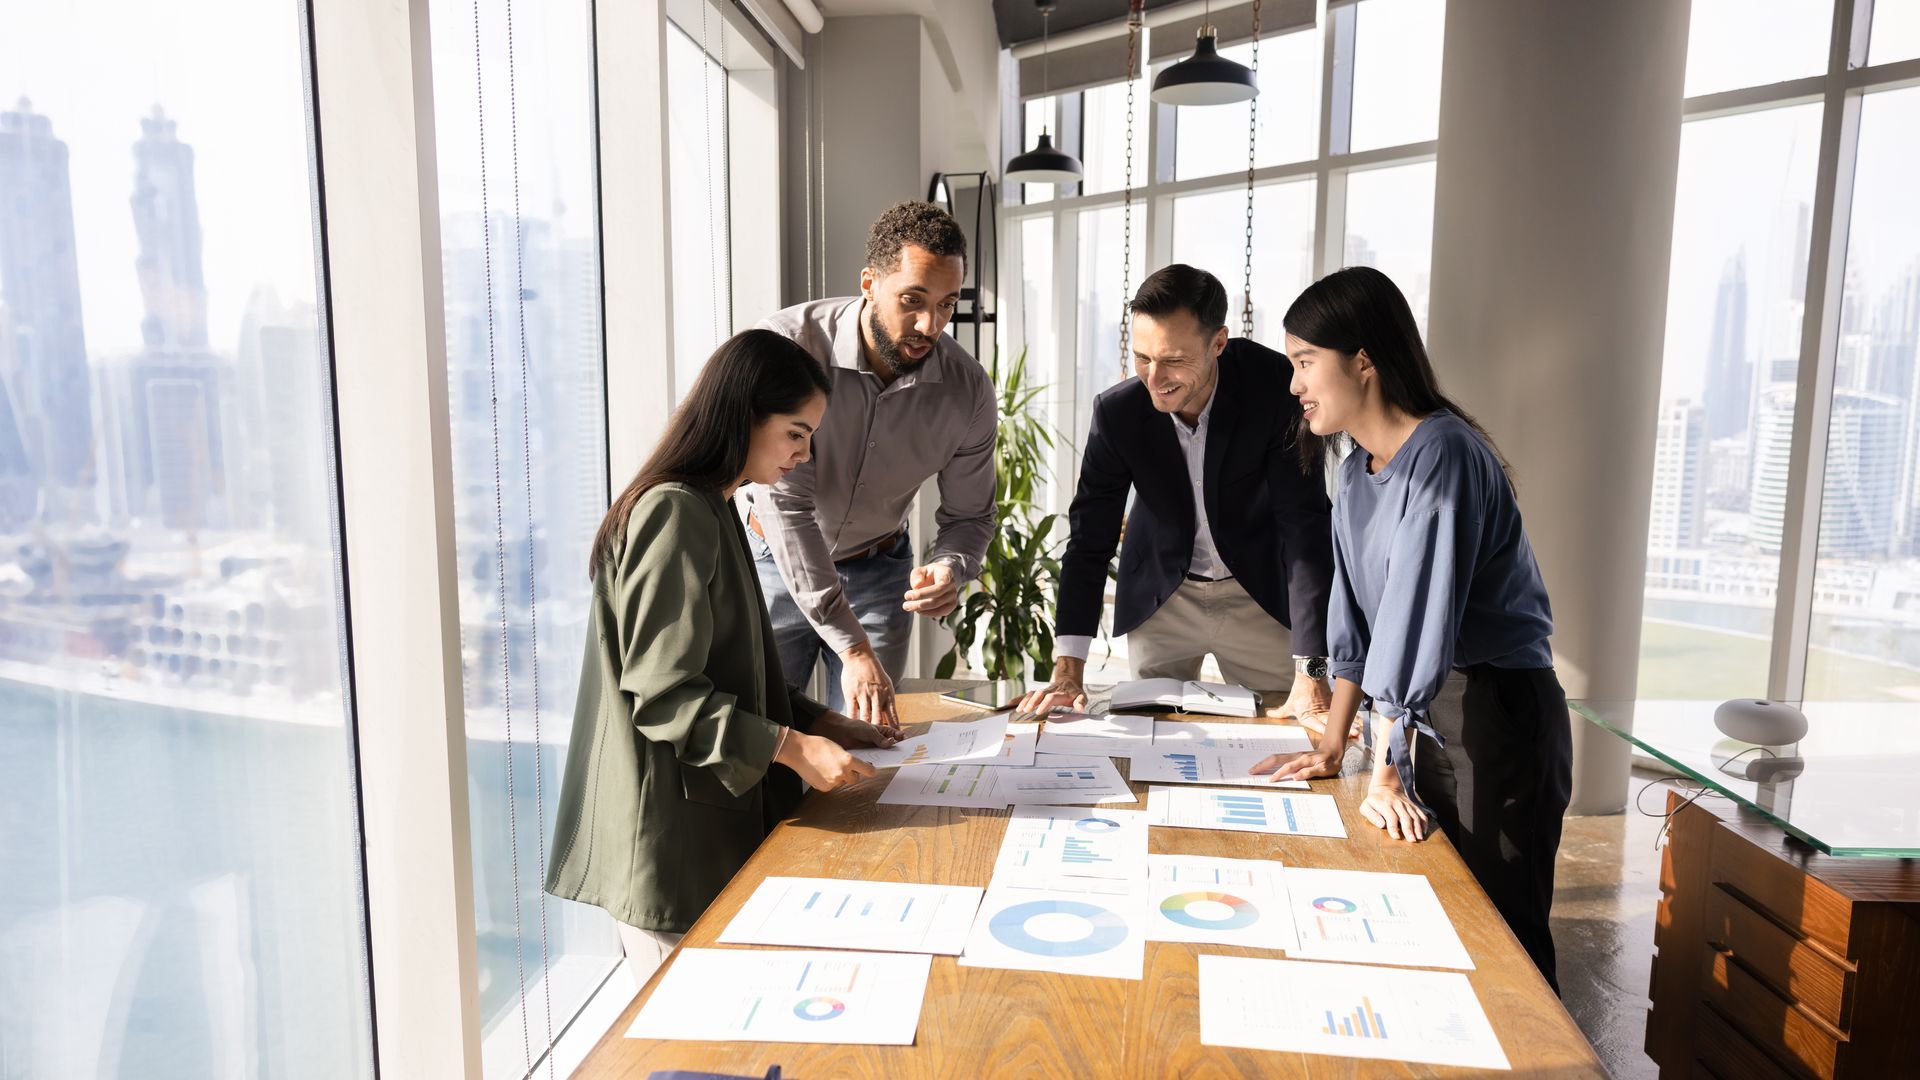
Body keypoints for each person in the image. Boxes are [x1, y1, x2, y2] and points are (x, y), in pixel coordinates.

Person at [545, 329, 897, 989]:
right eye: (795, 433)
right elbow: (664, 692)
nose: (804, 453)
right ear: (745, 417)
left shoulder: (715, 505)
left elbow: (736, 670)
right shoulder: (674, 512)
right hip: (673, 845)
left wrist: (823, 722)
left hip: (700, 831)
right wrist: (792, 747)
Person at [1256, 265, 1572, 991]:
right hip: (1419, 709)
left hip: (1495, 713)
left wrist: (1386, 761)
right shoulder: (1354, 473)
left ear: (1362, 360)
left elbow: (1416, 610)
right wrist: (1337, 740)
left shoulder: (1445, 454)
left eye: (1306, 362)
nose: (1295, 384)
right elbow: (1356, 622)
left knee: (1506, 935)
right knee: (1435, 913)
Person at [1016, 264, 1335, 725]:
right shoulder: (1118, 413)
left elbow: (1303, 525)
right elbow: (1090, 539)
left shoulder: (1275, 389)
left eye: (1174, 359)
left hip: (1258, 591)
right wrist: (1068, 670)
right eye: (1142, 357)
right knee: (1147, 727)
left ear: (1218, 343)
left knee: (1293, 720)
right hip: (1164, 595)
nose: (1154, 377)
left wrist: (1311, 668)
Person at [749, 201, 998, 728]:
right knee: (764, 735)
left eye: (948, 304)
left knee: (872, 742)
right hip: (773, 561)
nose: (929, 325)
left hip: (877, 572)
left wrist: (950, 566)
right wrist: (853, 649)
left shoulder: (968, 390)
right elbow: (787, 507)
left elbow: (970, 517)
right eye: (912, 300)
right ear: (869, 281)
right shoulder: (789, 347)